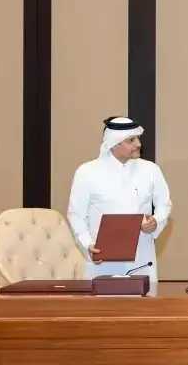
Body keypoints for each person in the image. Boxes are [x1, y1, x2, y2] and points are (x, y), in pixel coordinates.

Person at [67, 116, 172, 282]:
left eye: (138, 138)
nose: (138, 144)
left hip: (142, 259)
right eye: (131, 140)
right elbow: (76, 214)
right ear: (114, 143)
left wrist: (156, 222)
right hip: (102, 260)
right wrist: (87, 244)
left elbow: (164, 205)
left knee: (143, 299)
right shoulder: (87, 172)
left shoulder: (151, 170)